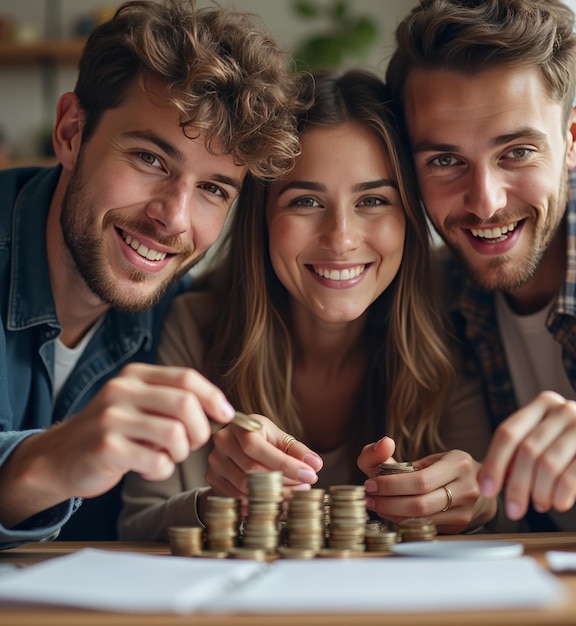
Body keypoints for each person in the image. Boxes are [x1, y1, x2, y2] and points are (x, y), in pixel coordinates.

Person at [118, 69, 506, 542]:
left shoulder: (452, 325)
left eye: (373, 200)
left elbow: (503, 516)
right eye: (305, 201)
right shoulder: (196, 325)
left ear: (409, 216)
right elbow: (135, 527)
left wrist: (481, 499)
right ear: (261, 219)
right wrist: (216, 506)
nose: (340, 238)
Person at [0, 0, 306, 549]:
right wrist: (44, 464)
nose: (174, 218)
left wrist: (223, 501)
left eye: (214, 188)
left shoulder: (178, 316)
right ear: (71, 131)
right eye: (150, 160)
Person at [386, 0, 576, 528]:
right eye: (445, 161)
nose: (485, 202)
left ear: (573, 137)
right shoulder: (442, 289)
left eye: (516, 152)